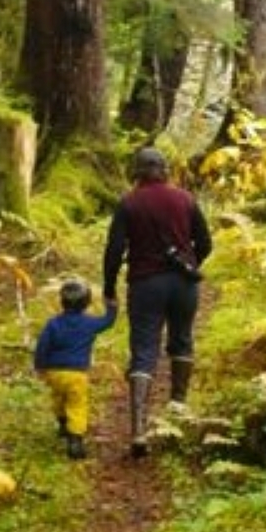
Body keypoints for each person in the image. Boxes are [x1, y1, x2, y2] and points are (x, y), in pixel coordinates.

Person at [102, 145, 213, 458]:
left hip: (145, 284)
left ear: (136, 171)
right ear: (165, 169)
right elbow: (205, 243)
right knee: (182, 342)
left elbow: (113, 250)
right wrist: (190, 263)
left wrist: (109, 286)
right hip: (183, 285)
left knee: (144, 350)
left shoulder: (128, 203)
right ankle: (176, 415)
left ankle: (139, 431)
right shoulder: (185, 199)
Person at [33, 278, 117, 459]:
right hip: (77, 374)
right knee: (77, 404)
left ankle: (63, 424)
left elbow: (42, 346)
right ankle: (75, 441)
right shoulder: (88, 323)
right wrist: (112, 306)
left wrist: (39, 366)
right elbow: (108, 322)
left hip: (54, 373)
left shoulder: (53, 324)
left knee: (58, 398)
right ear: (86, 302)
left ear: (62, 301)